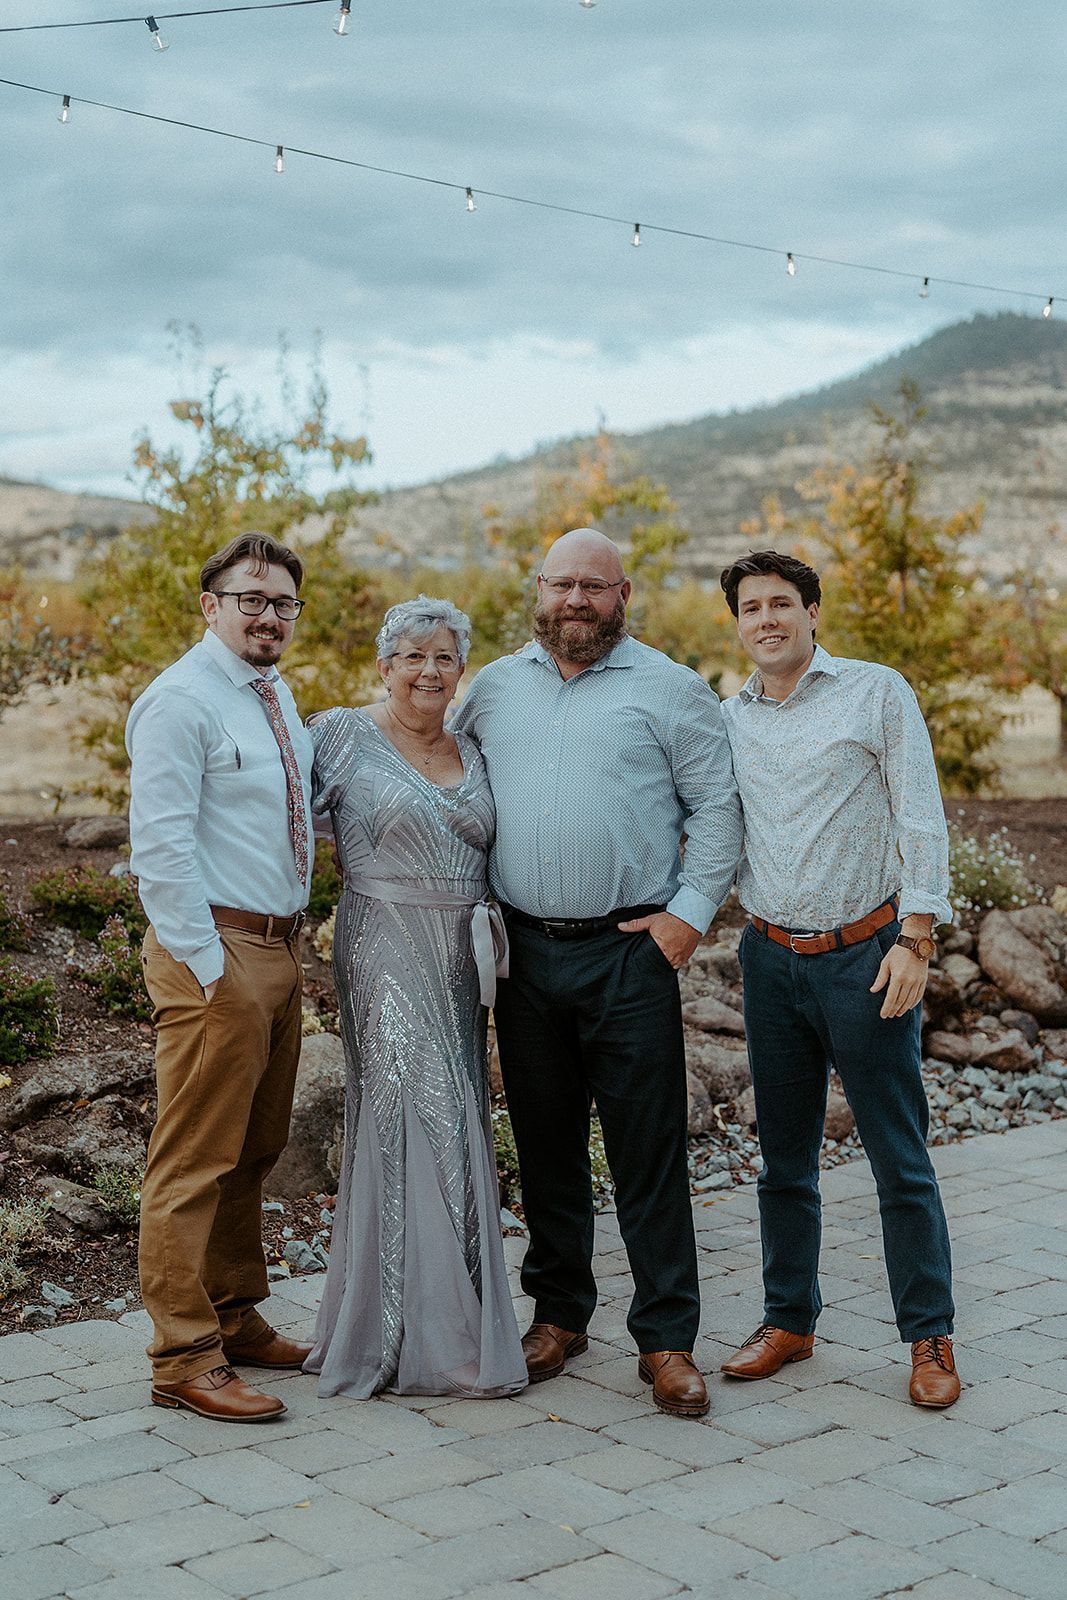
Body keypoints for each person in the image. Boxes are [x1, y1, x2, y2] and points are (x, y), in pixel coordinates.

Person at [453, 529, 742, 1418]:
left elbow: (718, 810)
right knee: (543, 1143)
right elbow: (444, 781)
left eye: (594, 586)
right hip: (524, 953)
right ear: (537, 590)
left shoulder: (670, 688)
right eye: (561, 584)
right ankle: (559, 1315)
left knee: (646, 1150)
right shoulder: (491, 690)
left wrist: (684, 924)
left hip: (629, 951)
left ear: (624, 593)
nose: (575, 600)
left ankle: (665, 1340)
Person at [717, 548, 960, 1408]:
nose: (766, 620)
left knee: (899, 1158)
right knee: (782, 1159)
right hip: (768, 958)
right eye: (750, 608)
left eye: (781, 603)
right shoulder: (729, 716)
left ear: (812, 612)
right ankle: (790, 1318)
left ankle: (928, 1336)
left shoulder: (874, 690)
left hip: (866, 958)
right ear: (737, 623)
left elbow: (918, 814)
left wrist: (916, 936)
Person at [303, 597, 526, 1399]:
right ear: (383, 664)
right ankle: (401, 1332)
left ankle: (456, 1311)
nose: (429, 671)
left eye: (444, 657)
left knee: (458, 1109)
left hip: (463, 958)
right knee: (407, 1110)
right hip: (382, 944)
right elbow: (275, 813)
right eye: (412, 656)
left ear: (459, 670)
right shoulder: (337, 734)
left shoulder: (475, 747)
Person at [127, 532, 315, 1422]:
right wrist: (210, 970)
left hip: (278, 947)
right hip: (217, 953)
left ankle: (235, 1317)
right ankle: (183, 1357)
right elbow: (158, 851)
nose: (268, 615)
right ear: (212, 605)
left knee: (256, 1148)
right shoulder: (180, 702)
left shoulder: (277, 696)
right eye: (252, 599)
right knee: (193, 1161)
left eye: (282, 602)